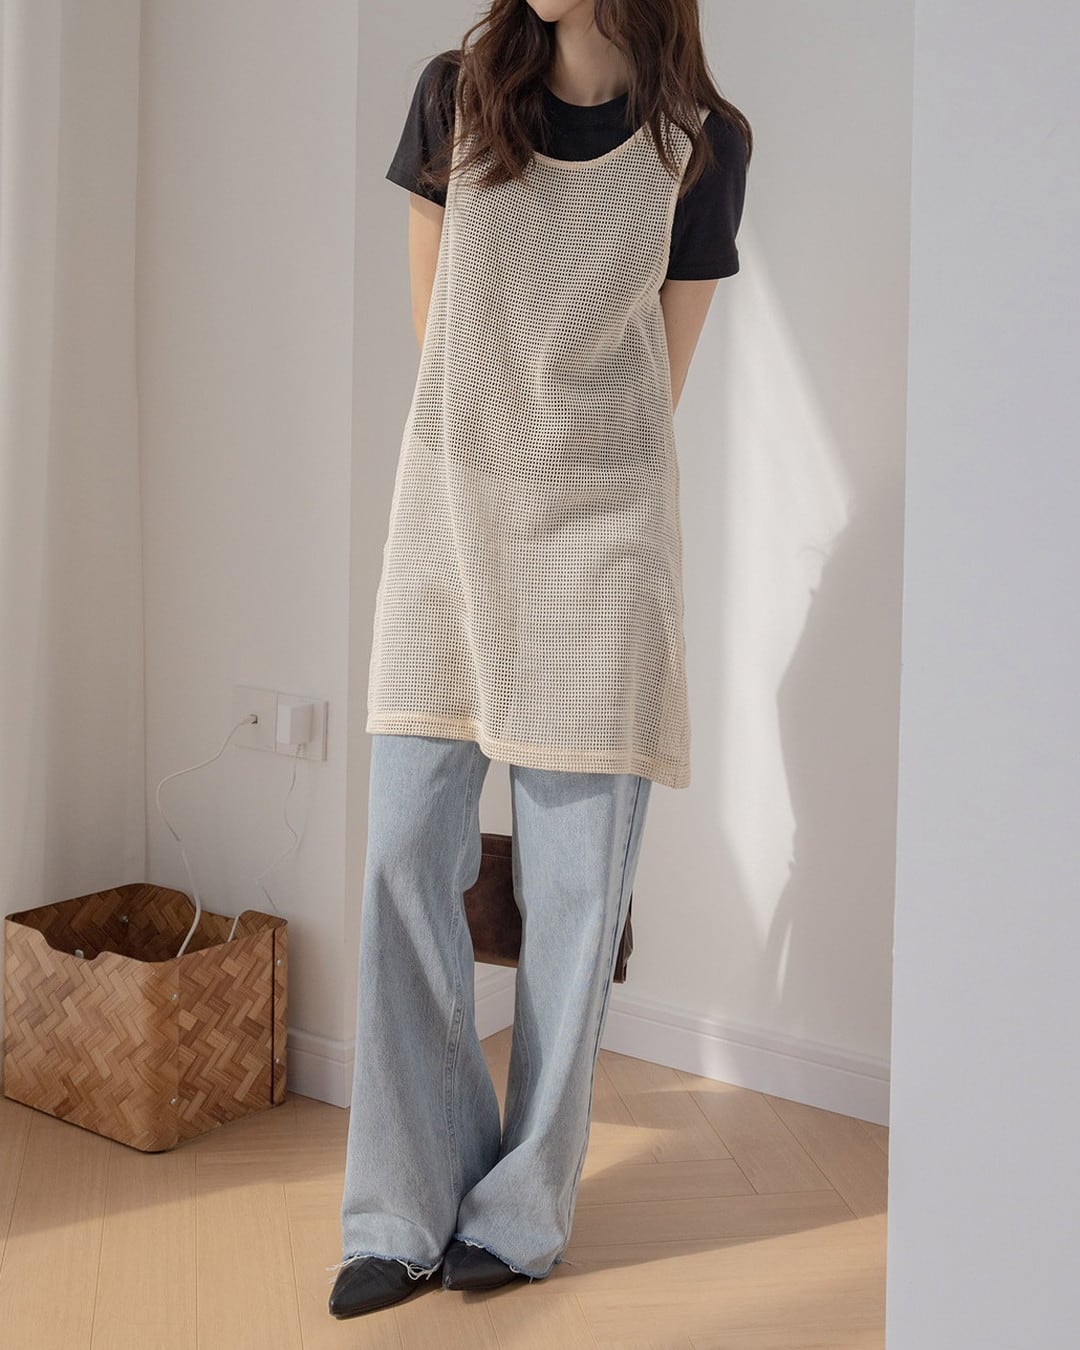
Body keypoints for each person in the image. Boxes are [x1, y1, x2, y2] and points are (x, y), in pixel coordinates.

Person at [329, 0, 750, 1320]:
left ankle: (519, 1213)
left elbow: (654, 383)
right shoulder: (455, 97)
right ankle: (403, 1204)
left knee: (575, 904)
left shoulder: (702, 145)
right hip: (448, 526)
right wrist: (500, 473)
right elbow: (439, 340)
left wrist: (560, 485)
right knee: (404, 852)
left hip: (601, 545)